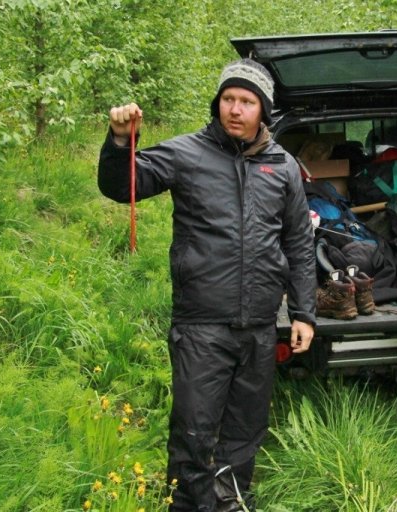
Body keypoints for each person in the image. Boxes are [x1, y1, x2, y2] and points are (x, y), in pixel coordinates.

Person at [98, 58, 316, 511]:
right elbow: (123, 186)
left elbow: (298, 242)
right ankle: (190, 505)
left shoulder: (284, 166)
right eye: (228, 99)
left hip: (258, 324)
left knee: (244, 430)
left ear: (264, 111)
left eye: (247, 101)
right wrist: (121, 140)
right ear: (217, 103)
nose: (236, 109)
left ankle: (232, 501)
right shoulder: (186, 154)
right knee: (194, 431)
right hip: (201, 324)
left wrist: (303, 313)